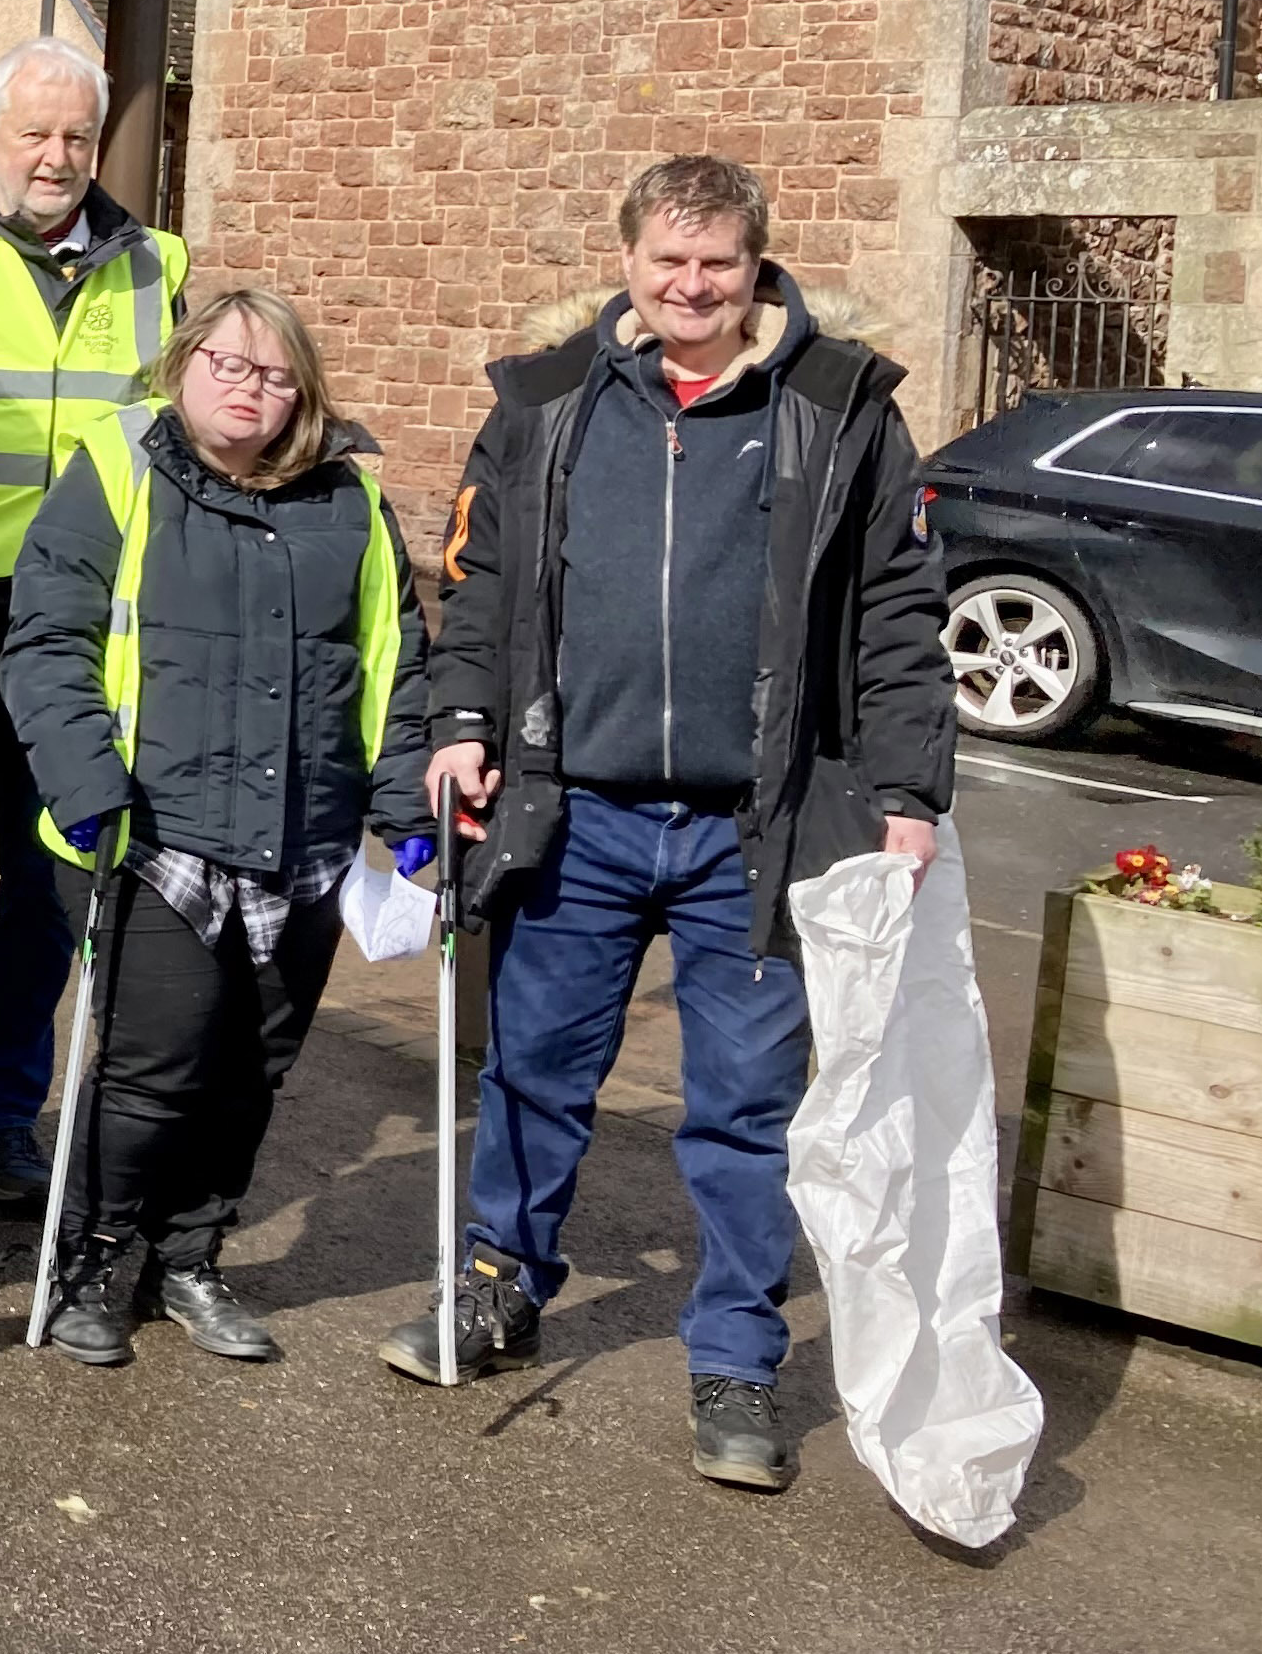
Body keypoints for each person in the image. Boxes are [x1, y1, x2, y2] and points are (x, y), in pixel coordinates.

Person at [396, 154, 954, 1494]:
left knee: (746, 1110)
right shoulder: (543, 404)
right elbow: (475, 590)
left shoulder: (842, 407)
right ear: (631, 264)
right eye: (669, 262)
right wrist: (460, 722)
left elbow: (898, 614)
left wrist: (906, 793)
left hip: (752, 828)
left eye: (719, 265)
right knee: (532, 1072)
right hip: (571, 811)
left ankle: (736, 1358)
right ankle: (498, 1285)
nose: (693, 287)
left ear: (758, 265)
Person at [0, 287, 426, 1365]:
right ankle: (88, 1260)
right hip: (155, 834)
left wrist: (406, 803)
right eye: (229, 364)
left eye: (275, 374)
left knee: (253, 1071)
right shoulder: (118, 470)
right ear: (183, 365)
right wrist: (82, 780)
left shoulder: (351, 504)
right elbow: (47, 639)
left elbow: (394, 661)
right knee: (155, 1067)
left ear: (304, 393)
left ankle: (186, 1259)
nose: (250, 388)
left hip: (306, 836)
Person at [0, 36, 186, 1215]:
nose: (55, 157)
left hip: (80, 613)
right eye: (34, 133)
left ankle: (5, 1118)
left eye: (76, 137)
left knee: (46, 876)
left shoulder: (157, 265)